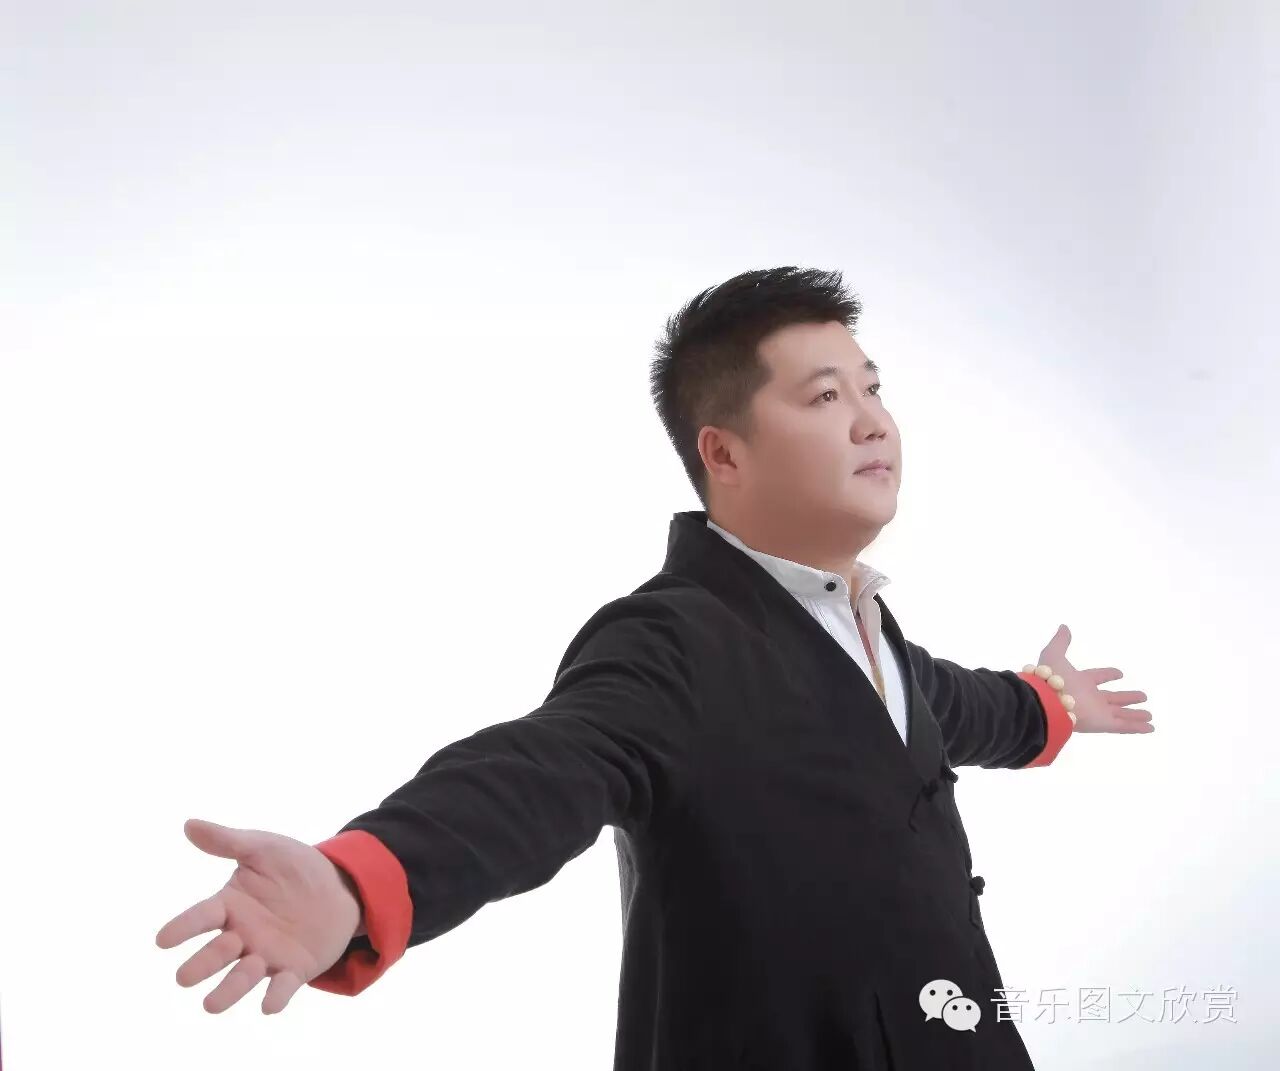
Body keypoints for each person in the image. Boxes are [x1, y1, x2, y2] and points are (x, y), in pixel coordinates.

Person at [155, 266, 1153, 1069]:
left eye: (871, 388)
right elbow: (546, 765)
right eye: (823, 396)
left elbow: (954, 705)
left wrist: (1049, 704)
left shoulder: (866, 628)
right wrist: (362, 877)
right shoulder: (674, 639)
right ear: (724, 453)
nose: (871, 420)